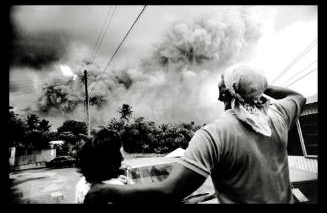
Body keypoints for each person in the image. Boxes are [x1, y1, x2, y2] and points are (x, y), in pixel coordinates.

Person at [84, 64, 306, 204]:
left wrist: (107, 191)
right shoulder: (279, 115)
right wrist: (258, 87)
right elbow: (298, 96)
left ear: (223, 94)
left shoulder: (212, 135)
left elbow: (170, 192)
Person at [75, 127, 131, 204]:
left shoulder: (81, 183)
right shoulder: (118, 190)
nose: (123, 157)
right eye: (120, 151)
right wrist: (131, 186)